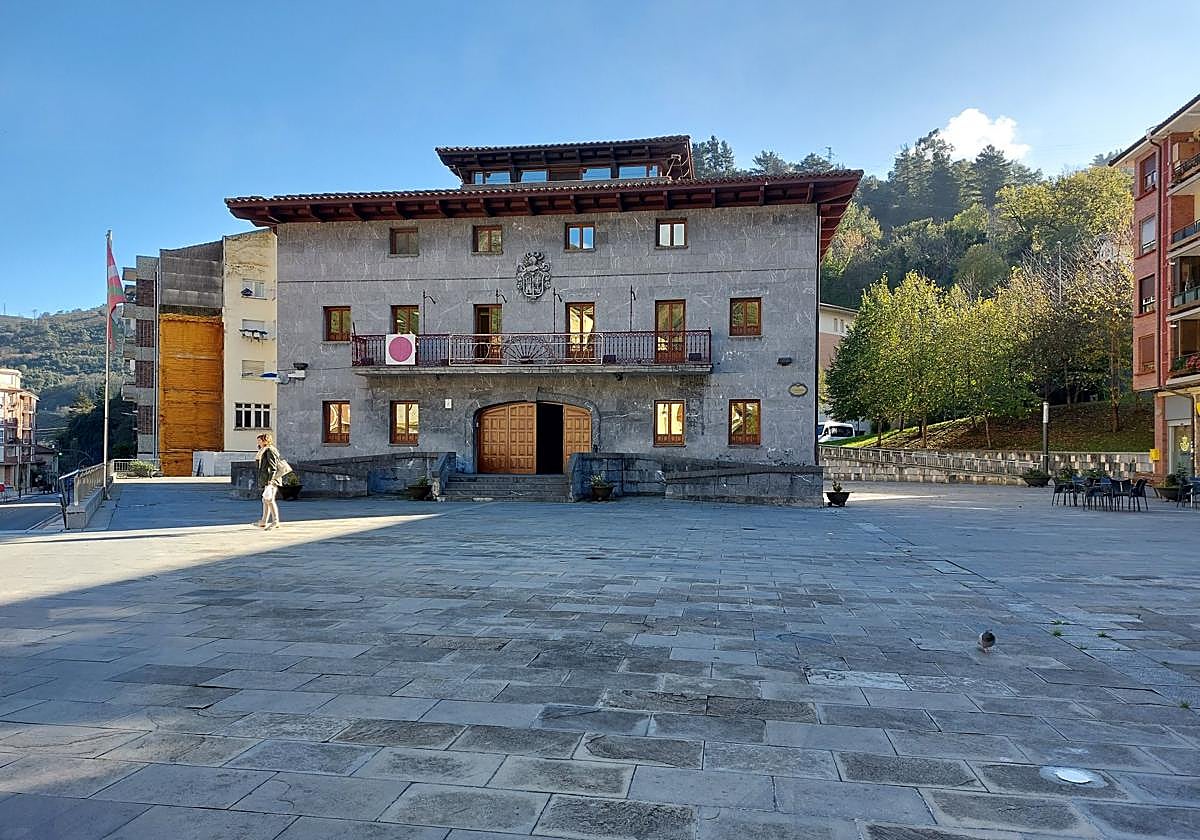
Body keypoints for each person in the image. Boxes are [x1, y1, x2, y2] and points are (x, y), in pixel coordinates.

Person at [254, 432, 283, 530]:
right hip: (267, 479)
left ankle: (275, 521)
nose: (258, 442)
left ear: (265, 441)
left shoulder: (270, 450)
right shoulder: (264, 450)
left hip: (271, 479)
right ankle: (264, 521)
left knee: (269, 500)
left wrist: (270, 480)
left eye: (260, 440)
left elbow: (273, 467)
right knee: (265, 500)